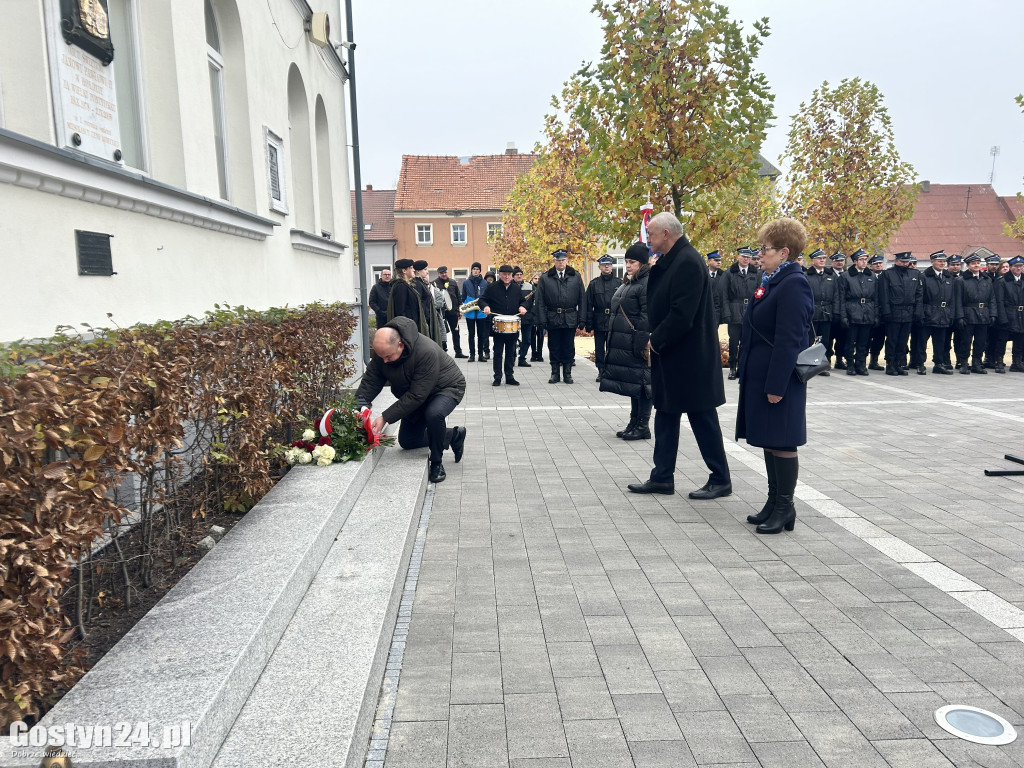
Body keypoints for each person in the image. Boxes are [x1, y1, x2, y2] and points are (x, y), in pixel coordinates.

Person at [627, 212, 731, 499]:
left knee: (702, 417)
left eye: (651, 234)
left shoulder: (686, 262)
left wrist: (654, 342)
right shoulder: (674, 260)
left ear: (666, 234)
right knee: (667, 414)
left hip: (689, 358)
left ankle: (721, 478)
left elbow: (682, 315)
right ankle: (662, 476)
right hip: (675, 355)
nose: (647, 239)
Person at [735, 218, 813, 535]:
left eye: (764, 249)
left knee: (783, 441)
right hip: (762, 374)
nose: (759, 254)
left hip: (780, 378)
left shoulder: (794, 283)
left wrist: (777, 385)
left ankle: (785, 507)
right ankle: (773, 502)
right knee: (770, 439)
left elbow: (790, 340)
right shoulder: (772, 280)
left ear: (784, 252)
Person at [356, 317, 467, 484]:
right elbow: (372, 379)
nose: (384, 361)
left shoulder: (425, 352)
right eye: (380, 356)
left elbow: (417, 396)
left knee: (434, 414)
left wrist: (385, 417)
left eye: (388, 356)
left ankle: (436, 462)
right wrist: (359, 405)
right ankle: (453, 435)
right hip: (416, 392)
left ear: (400, 345)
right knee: (408, 441)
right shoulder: (384, 350)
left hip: (445, 388)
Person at [600, 243, 652, 440]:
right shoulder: (630, 282)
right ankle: (633, 421)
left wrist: (641, 340)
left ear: (643, 263)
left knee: (644, 385)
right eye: (626, 262)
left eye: (632, 262)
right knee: (634, 384)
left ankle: (643, 425)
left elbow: (647, 314)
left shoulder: (646, 283)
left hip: (638, 343)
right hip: (627, 342)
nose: (628, 265)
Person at [536, 249, 587, 384]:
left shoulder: (575, 276)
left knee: (568, 346)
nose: (561, 262)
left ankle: (567, 373)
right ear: (554, 261)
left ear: (567, 261)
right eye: (558, 260)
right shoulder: (545, 278)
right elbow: (540, 301)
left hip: (570, 316)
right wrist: (542, 319)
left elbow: (582, 299)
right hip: (552, 316)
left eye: (563, 260)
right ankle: (555, 373)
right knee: (554, 346)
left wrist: (582, 319)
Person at [479, 264, 526, 386]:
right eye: (504, 274)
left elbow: (523, 301)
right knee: (498, 352)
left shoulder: (516, 288)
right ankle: (498, 377)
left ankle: (509, 376)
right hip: (498, 326)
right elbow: (482, 300)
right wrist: (486, 306)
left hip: (513, 325)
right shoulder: (492, 287)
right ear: (499, 275)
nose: (506, 277)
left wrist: (523, 307)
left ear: (512, 276)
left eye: (509, 275)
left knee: (511, 352)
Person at [878, 251, 922, 375]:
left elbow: (919, 294)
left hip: (908, 311)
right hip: (894, 311)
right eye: (902, 261)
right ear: (896, 261)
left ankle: (899, 363)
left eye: (907, 262)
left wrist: (917, 311)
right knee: (892, 339)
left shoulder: (915, 274)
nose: (905, 264)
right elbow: (884, 294)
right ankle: (890, 364)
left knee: (903, 341)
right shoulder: (888, 274)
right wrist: (886, 311)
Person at [956, 253, 999, 373]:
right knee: (966, 340)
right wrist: (960, 316)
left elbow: (992, 298)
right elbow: (958, 300)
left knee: (981, 341)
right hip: (968, 313)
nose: (976, 265)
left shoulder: (987, 279)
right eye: (973, 263)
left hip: (983, 314)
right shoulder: (961, 280)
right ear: (968, 265)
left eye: (978, 263)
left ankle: (976, 363)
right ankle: (964, 363)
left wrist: (993, 314)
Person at [916, 250, 957, 374]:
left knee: (940, 341)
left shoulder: (948, 277)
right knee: (922, 341)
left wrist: (951, 314)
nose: (942, 263)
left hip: (943, 313)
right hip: (929, 312)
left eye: (944, 261)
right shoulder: (924, 276)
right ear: (932, 262)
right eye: (939, 261)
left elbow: (952, 298)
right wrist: (920, 313)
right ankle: (920, 364)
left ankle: (939, 363)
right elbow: (919, 297)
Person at [839, 249, 878, 375]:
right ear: (855, 261)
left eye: (866, 259)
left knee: (864, 341)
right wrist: (843, 315)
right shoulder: (846, 276)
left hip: (868, 311)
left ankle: (860, 363)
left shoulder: (871, 275)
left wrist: (876, 314)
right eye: (861, 259)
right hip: (852, 311)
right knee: (850, 340)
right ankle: (850, 363)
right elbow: (842, 297)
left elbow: (876, 297)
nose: (864, 262)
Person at [723, 247, 760, 380]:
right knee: (733, 342)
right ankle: (733, 367)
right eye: (743, 256)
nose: (746, 259)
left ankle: (743, 367)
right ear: (738, 257)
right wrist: (727, 313)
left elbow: (760, 294)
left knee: (747, 341)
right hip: (734, 310)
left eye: (748, 257)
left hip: (750, 310)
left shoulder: (756, 273)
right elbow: (724, 296)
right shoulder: (729, 273)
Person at [586, 254, 622, 381]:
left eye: (609, 264)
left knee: (613, 347)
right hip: (599, 318)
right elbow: (588, 304)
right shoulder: (594, 284)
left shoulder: (619, 283)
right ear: (599, 267)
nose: (607, 266)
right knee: (600, 347)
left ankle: (612, 371)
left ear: (612, 266)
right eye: (604, 265)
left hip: (614, 319)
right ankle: (601, 370)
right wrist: (588, 323)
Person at [804, 248, 839, 375]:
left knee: (824, 341)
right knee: (810, 340)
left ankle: (821, 366)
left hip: (827, 312)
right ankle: (807, 365)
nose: (823, 260)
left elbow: (836, 296)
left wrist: (835, 312)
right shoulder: (807, 276)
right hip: (812, 312)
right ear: (813, 261)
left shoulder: (831, 276)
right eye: (819, 258)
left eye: (824, 258)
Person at [997, 255, 1024, 372]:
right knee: (1002, 339)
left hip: (1021, 315)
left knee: (1020, 339)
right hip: (1008, 313)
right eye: (1016, 266)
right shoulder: (1003, 281)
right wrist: (1002, 317)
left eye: (1021, 266)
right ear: (1011, 267)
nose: (1018, 269)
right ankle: (998, 361)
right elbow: (1000, 301)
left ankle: (1016, 362)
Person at [434, 266, 467, 358]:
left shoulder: (452, 282)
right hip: (442, 313)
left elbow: (458, 296)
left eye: (445, 272)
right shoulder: (434, 284)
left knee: (456, 332)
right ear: (438, 274)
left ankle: (458, 352)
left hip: (453, 312)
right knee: (442, 332)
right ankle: (443, 352)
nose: (444, 274)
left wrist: (460, 307)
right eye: (441, 273)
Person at [413, 260, 445, 349]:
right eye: (425, 269)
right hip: (424, 318)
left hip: (428, 317)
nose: (427, 272)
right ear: (418, 271)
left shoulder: (422, 283)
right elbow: (421, 303)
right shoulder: (418, 284)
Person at [461, 262, 490, 362]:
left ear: (480, 271)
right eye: (474, 269)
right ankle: (472, 354)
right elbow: (463, 296)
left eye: (478, 269)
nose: (476, 271)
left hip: (481, 312)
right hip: (470, 312)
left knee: (481, 335)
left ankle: (481, 355)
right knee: (471, 334)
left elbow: (487, 297)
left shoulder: (484, 283)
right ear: (471, 270)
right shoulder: (466, 282)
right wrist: (465, 305)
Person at [387, 259, 423, 327]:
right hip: (408, 328)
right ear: (404, 271)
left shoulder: (407, 285)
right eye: (411, 268)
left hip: (412, 325)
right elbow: (400, 311)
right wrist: (407, 329)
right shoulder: (401, 286)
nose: (414, 270)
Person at [830, 251, 850, 368]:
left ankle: (839, 359)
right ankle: (827, 360)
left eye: (841, 260)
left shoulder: (848, 275)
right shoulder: (828, 274)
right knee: (829, 338)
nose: (839, 263)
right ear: (832, 262)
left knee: (842, 337)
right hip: (831, 311)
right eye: (837, 260)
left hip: (844, 311)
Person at [867, 255, 887, 369]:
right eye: (875, 263)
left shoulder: (886, 276)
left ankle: (874, 360)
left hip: (882, 313)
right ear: (871, 266)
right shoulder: (868, 276)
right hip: (869, 312)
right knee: (866, 338)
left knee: (880, 338)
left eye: (880, 263)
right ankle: (860, 361)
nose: (878, 265)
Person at [514, 267, 535, 366]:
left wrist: (524, 307)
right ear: (513, 276)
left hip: (527, 317)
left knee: (527, 339)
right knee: (513, 339)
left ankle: (522, 358)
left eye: (520, 274)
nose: (519, 276)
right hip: (514, 317)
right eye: (517, 274)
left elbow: (531, 301)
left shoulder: (529, 286)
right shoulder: (510, 286)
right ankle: (512, 357)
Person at [527, 272, 545, 362]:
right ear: (532, 279)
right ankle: (533, 353)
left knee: (540, 335)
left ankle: (540, 354)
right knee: (532, 335)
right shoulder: (530, 288)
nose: (537, 280)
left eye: (539, 279)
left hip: (541, 314)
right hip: (532, 314)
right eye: (535, 278)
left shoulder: (543, 288)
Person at [707, 251, 726, 327]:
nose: (719, 262)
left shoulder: (724, 276)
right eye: (716, 260)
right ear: (709, 261)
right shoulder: (702, 273)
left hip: (717, 309)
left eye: (720, 260)